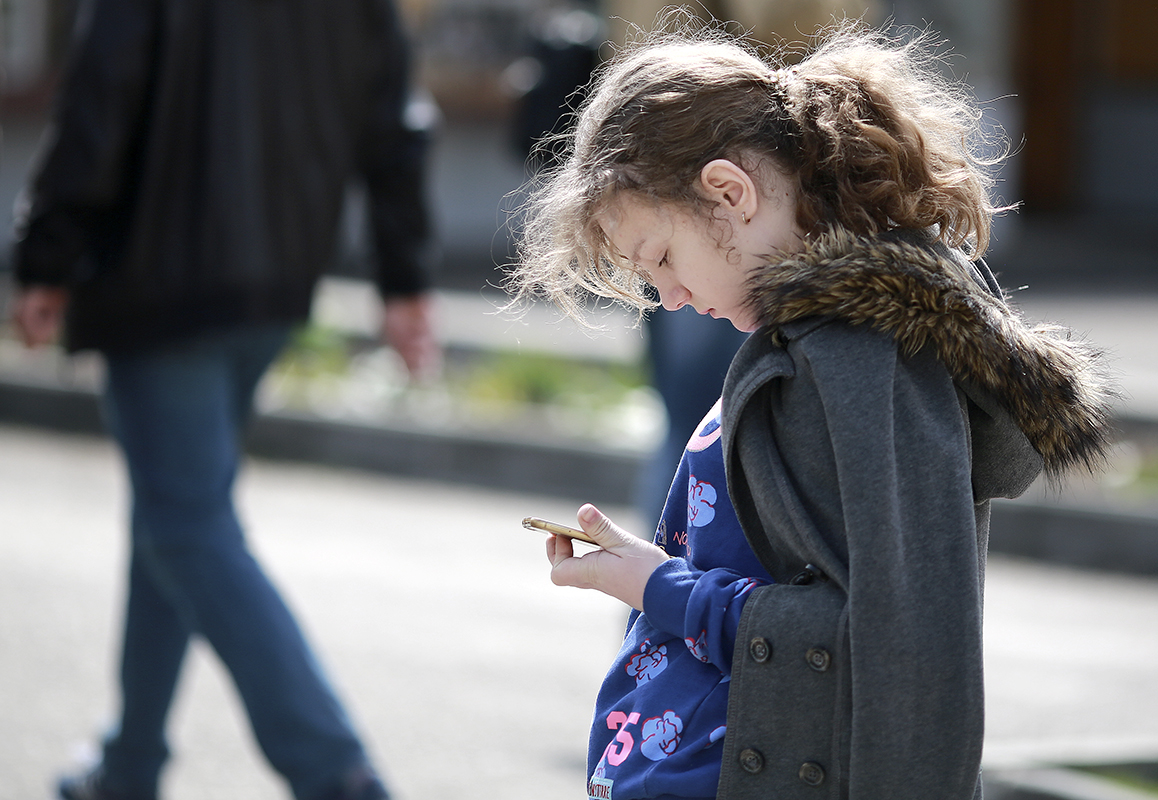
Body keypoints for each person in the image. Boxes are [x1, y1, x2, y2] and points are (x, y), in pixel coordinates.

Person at [505, 17, 1115, 800]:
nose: (674, 297)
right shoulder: (811, 346)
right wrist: (652, 569)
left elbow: (885, 650)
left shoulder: (853, 363)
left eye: (661, 259)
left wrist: (659, 588)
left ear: (730, 193)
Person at [9, 1, 438, 799]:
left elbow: (99, 95)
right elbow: (394, 118)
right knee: (172, 518)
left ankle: (335, 773)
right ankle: (128, 763)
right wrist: (403, 274)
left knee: (185, 525)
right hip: (276, 278)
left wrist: (48, 253)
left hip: (160, 278)